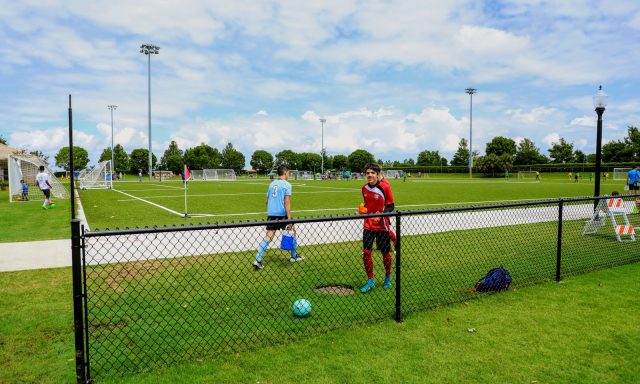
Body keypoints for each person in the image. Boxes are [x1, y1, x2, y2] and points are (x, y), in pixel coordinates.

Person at [253, 165, 303, 270]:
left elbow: (266, 201)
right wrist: (289, 219)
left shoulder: (271, 184)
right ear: (285, 173)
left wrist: (272, 210)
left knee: (269, 237)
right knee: (292, 232)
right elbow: (287, 202)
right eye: (288, 173)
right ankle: (293, 256)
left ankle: (257, 260)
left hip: (271, 214)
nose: (289, 175)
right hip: (282, 214)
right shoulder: (287, 185)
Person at [358, 163, 395, 293]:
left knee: (385, 253)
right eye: (367, 173)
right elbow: (368, 206)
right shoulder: (364, 188)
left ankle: (388, 276)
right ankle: (371, 279)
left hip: (382, 226)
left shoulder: (385, 187)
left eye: (372, 173)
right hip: (368, 224)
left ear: (378, 174)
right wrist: (363, 210)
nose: (369, 175)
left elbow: (391, 206)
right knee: (366, 252)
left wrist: (382, 214)